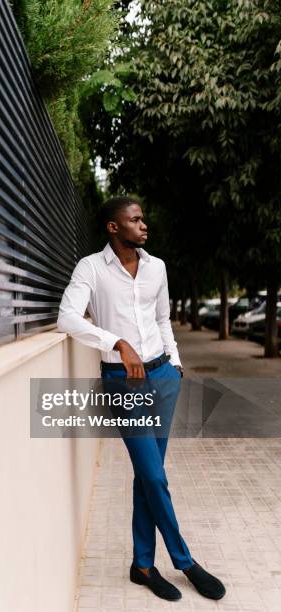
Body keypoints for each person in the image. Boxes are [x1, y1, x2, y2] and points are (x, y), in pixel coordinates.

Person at [56, 196, 226, 601]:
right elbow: (67, 316)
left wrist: (177, 364)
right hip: (123, 380)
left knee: (147, 477)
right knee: (152, 475)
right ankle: (184, 561)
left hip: (163, 376)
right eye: (134, 220)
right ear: (113, 228)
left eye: (143, 219)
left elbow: (162, 318)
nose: (143, 225)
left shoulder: (157, 268)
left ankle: (142, 565)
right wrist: (117, 343)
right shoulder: (91, 269)